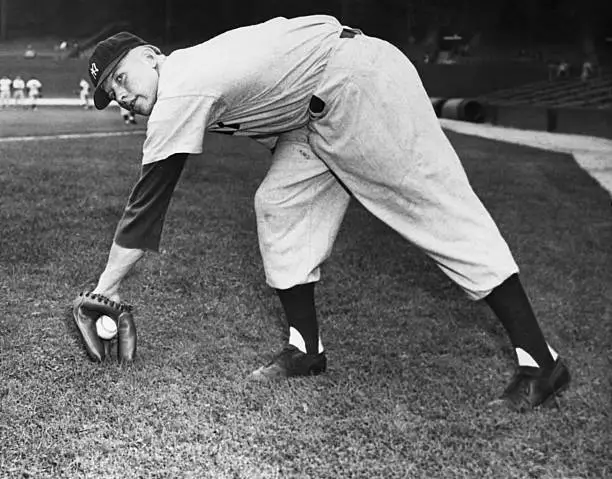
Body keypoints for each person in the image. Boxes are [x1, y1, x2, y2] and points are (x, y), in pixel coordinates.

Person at [80, 16, 570, 412]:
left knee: (436, 210)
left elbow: (149, 204)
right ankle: (305, 349)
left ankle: (540, 360)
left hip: (358, 82)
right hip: (311, 114)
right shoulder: (191, 70)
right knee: (280, 205)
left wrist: (108, 287)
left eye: (122, 77)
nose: (121, 95)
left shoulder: (182, 86)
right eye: (111, 93)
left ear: (151, 56)